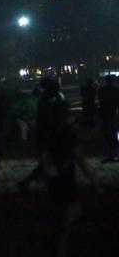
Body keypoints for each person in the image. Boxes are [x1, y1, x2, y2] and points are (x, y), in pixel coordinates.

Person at [42, 99, 97, 257]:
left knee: (61, 212)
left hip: (53, 177)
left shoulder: (47, 131)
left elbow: (44, 155)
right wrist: (92, 179)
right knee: (70, 213)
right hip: (65, 177)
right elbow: (78, 157)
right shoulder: (68, 133)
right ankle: (61, 247)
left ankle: (58, 244)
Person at [98, 75, 119, 162]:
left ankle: (112, 152)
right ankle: (114, 152)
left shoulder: (102, 90)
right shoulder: (115, 90)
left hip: (106, 113)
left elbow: (100, 101)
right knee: (113, 132)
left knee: (108, 133)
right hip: (112, 113)